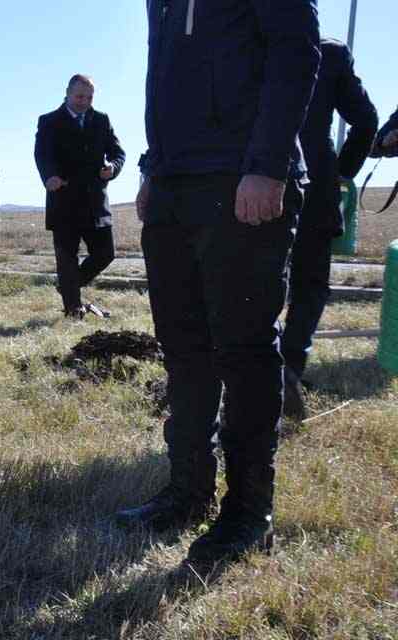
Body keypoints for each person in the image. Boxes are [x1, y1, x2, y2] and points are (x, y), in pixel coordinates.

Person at [117, 0, 320, 568]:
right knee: (184, 349)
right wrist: (153, 167)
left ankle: (249, 513)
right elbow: (167, 79)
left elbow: (294, 53)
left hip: (241, 179)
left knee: (245, 350)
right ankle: (186, 492)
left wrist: (268, 164)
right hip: (176, 186)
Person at [281, 38, 378, 418]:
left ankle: (256, 371)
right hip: (315, 180)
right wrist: (341, 173)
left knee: (255, 279)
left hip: (252, 173)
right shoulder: (331, 52)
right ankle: (288, 366)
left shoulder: (248, 38)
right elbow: (366, 119)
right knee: (309, 285)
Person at [33, 74, 125, 319]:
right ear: (67, 93)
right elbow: (42, 154)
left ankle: (68, 286)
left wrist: (113, 168)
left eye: (89, 97)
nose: (84, 101)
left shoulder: (101, 120)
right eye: (79, 96)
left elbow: (118, 153)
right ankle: (73, 309)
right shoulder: (49, 121)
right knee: (66, 259)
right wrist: (49, 176)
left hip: (95, 203)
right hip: (64, 200)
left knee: (105, 254)